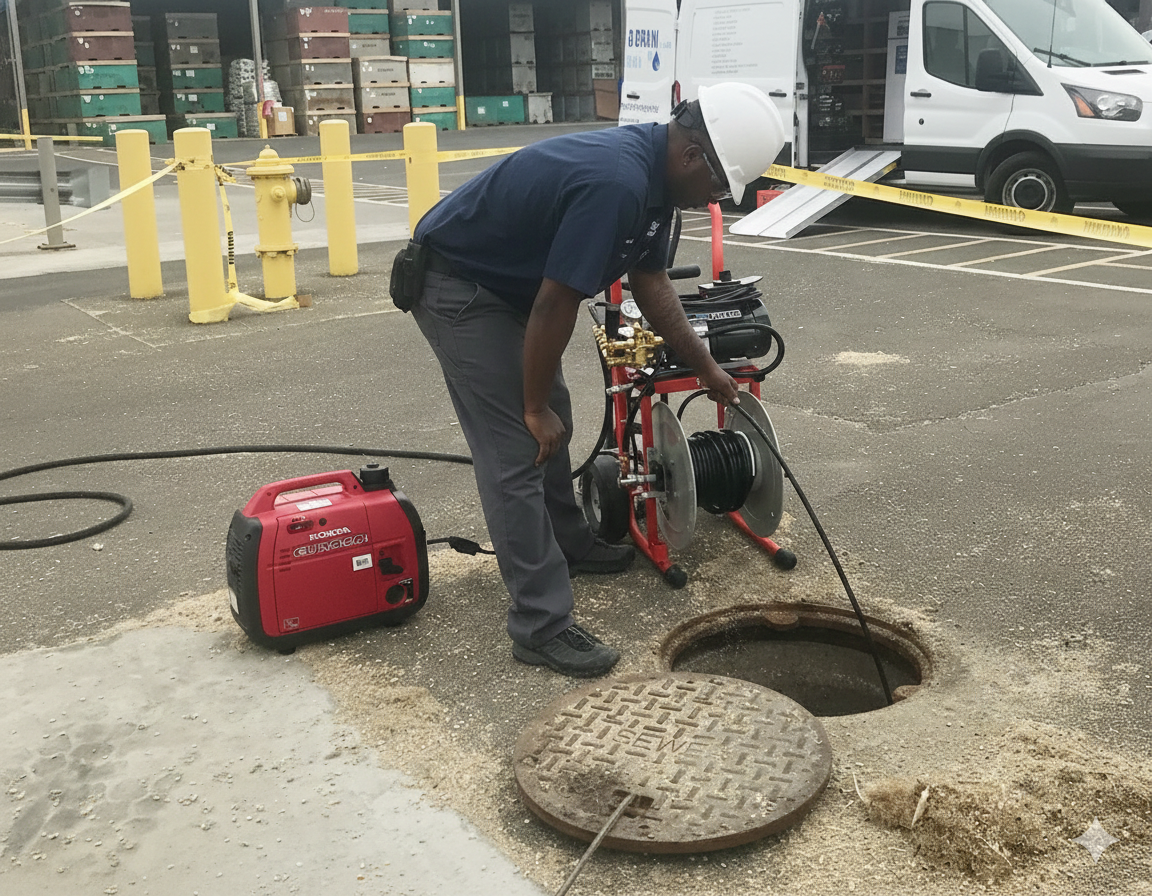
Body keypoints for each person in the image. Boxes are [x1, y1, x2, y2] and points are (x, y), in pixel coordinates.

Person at [400, 82, 786, 678]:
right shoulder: (619, 185)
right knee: (521, 445)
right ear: (692, 157)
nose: (714, 197)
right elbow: (556, 304)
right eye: (717, 185)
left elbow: (650, 283)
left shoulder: (656, 188)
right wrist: (529, 407)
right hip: (458, 284)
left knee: (557, 414)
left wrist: (708, 370)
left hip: (508, 286)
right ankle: (541, 624)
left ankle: (569, 543)